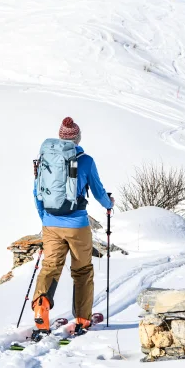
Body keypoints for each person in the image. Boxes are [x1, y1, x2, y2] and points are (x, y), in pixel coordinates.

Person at [32, 117, 114, 337]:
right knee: (82, 270)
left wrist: (45, 218)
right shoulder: (85, 160)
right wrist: (109, 204)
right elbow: (98, 191)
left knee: (50, 267)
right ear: (77, 138)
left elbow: (37, 192)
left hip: (50, 222)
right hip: (77, 224)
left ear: (60, 137)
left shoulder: (46, 158)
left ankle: (41, 309)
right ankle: (82, 318)